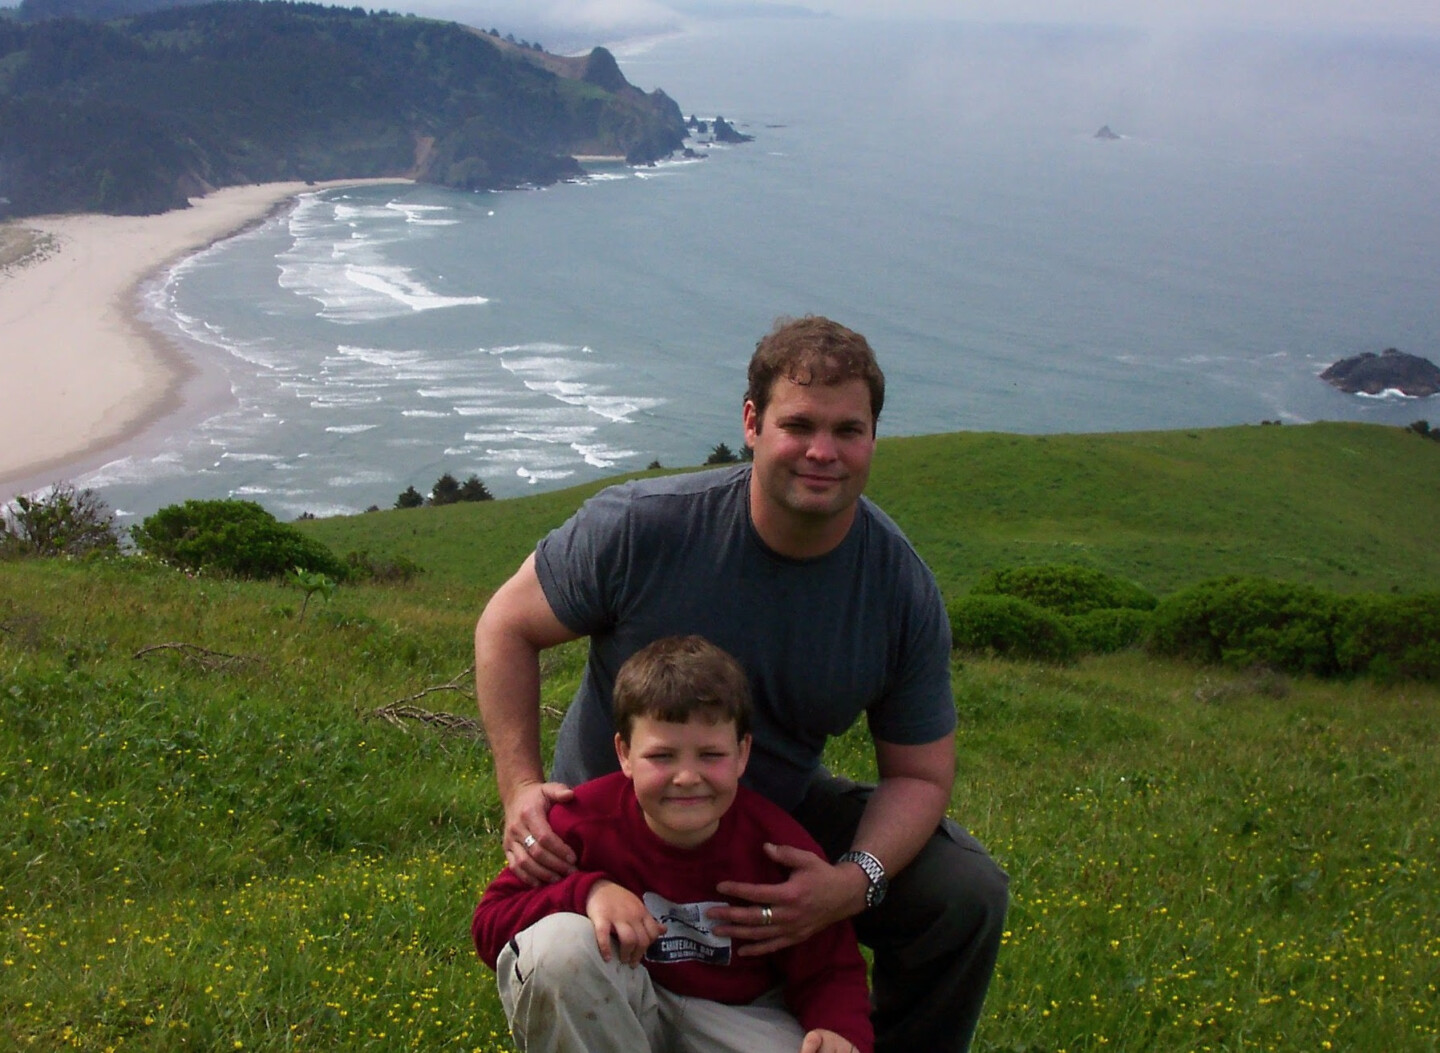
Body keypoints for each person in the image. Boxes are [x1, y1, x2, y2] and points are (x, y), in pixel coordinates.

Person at [475, 315, 1009, 1052]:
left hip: (766, 821)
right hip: (607, 829)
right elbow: (506, 625)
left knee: (966, 892)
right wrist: (521, 790)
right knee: (563, 951)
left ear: (874, 439)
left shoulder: (896, 585)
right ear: (752, 423)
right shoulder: (643, 526)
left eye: (849, 429)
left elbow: (920, 774)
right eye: (800, 424)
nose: (824, 451)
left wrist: (850, 883)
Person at [472, 635, 873, 1053]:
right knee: (556, 949)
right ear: (624, 754)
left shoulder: (777, 845)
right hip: (620, 1005)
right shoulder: (580, 823)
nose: (686, 777)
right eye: (662, 756)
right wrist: (588, 892)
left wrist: (839, 1031)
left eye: (710, 755)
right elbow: (490, 924)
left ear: (742, 753)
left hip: (735, 1018)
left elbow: (831, 967)